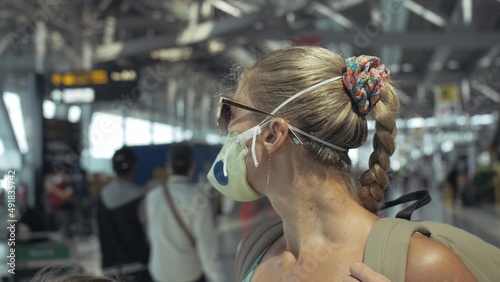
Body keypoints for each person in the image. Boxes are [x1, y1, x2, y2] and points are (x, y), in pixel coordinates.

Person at [206, 46, 477, 281]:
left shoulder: (421, 264)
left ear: (273, 134)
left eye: (230, 112)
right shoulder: (253, 251)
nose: (226, 128)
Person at [145, 143, 226, 282]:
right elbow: (207, 250)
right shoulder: (199, 200)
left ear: (168, 165)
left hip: (158, 273)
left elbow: (150, 235)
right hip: (188, 274)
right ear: (192, 166)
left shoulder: (152, 196)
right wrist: (218, 278)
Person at [97, 146, 151, 282]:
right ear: (134, 167)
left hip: (109, 270)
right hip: (138, 268)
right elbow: (149, 234)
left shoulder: (102, 197)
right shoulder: (140, 198)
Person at [44, 169, 75, 238]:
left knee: (66, 230)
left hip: (66, 210)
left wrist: (54, 189)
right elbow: (47, 188)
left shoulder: (69, 184)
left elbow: (65, 196)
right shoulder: (55, 184)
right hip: (55, 209)